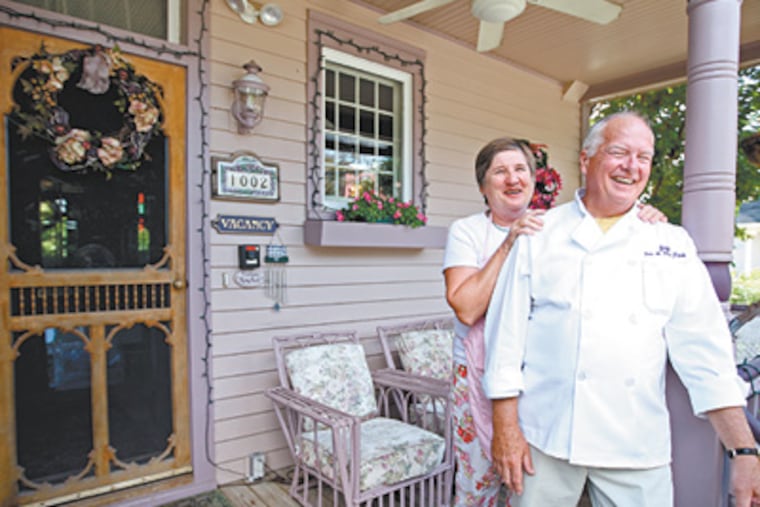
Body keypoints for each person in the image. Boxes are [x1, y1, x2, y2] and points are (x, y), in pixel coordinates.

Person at [482, 112, 760, 507]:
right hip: (545, 438)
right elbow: (505, 341)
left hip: (635, 444)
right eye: (618, 152)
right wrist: (505, 429)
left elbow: (707, 357)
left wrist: (743, 451)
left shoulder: (671, 243)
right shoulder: (539, 234)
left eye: (644, 157)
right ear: (586, 160)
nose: (632, 166)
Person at [443, 136, 666, 506]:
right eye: (500, 172)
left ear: (534, 180)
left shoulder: (555, 227)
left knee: (527, 482)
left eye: (521, 170)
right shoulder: (467, 231)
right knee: (478, 482)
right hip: (476, 375)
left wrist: (642, 218)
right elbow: (466, 308)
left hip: (537, 380)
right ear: (483, 185)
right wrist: (510, 242)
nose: (513, 179)